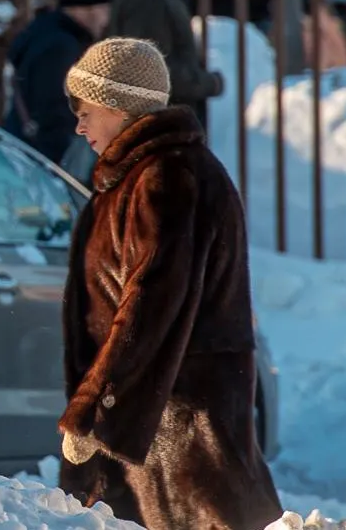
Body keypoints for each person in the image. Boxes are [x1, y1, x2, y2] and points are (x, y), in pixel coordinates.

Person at [55, 38, 281, 530]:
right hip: (147, 420)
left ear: (119, 107)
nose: (79, 124)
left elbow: (150, 302)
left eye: (86, 109)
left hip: (181, 421)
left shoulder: (168, 178)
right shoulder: (133, 178)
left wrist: (94, 409)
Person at [4, 0, 112, 175]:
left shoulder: (46, 35)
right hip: (43, 161)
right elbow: (55, 110)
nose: (106, 19)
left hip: (26, 152)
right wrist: (59, 169)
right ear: (86, 10)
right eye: (104, 9)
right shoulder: (61, 47)